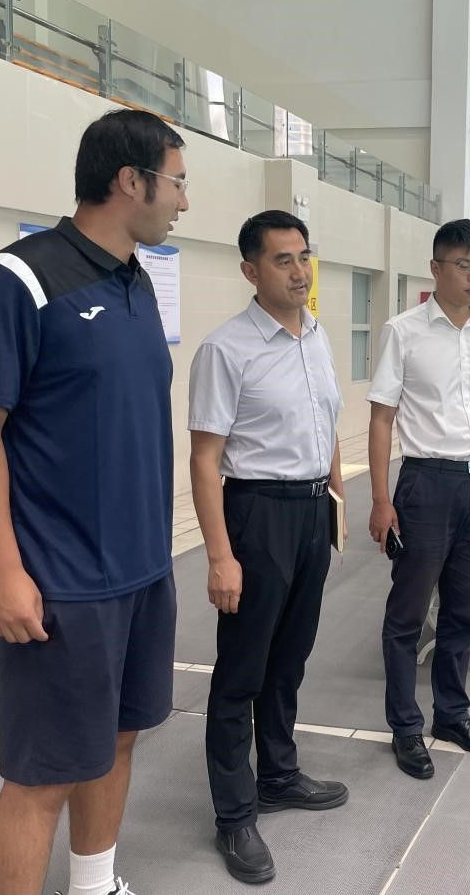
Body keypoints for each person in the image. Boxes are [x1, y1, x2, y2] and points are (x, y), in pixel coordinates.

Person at [0, 108, 188, 895]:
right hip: (62, 580)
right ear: (131, 181)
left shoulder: (137, 281)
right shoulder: (18, 279)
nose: (183, 201)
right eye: (177, 183)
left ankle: (95, 884)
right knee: (42, 775)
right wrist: (3, 570)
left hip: (142, 568)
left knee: (118, 738)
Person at [188, 210, 348, 885]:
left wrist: (335, 494)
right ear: (250, 270)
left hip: (311, 512)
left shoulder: (317, 336)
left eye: (304, 256)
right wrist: (221, 556)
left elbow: (327, 421)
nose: (299, 271)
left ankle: (278, 775)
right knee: (242, 671)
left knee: (289, 659)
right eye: (283, 259)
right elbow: (204, 460)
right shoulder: (226, 349)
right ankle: (234, 813)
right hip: (256, 513)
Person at [367, 218, 470, 780]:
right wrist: (381, 500)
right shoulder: (403, 331)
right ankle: (406, 726)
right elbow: (382, 419)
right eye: (464, 265)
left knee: (461, 609)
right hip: (425, 483)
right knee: (408, 614)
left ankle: (451, 715)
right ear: (436, 268)